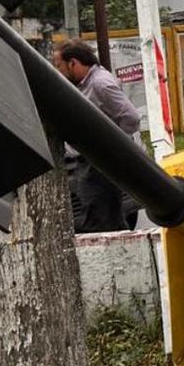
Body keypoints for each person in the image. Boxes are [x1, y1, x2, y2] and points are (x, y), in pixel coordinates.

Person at [52, 40, 140, 233]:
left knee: (99, 221)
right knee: (108, 219)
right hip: (89, 162)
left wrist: (110, 146)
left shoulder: (101, 83)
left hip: (100, 164)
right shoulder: (83, 84)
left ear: (73, 63)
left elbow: (131, 119)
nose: (58, 72)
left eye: (59, 66)